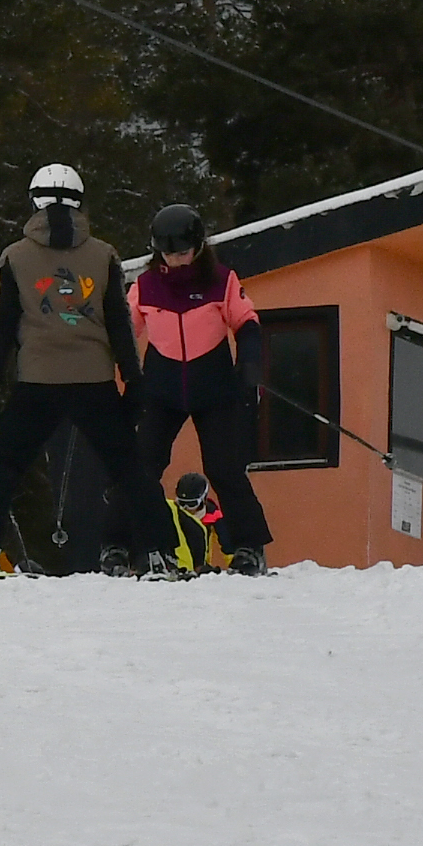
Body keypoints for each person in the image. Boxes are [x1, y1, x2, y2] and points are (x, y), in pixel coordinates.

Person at [0, 164, 173, 576]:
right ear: (79, 201)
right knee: (128, 467)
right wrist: (134, 381)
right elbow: (119, 324)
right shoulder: (103, 255)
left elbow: (1, 328)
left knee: (2, 466)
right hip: (94, 380)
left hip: (37, 381)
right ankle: (161, 551)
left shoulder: (15, 256)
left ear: (33, 200)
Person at [129, 203, 271, 576]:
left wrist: (250, 367)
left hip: (214, 387)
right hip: (162, 386)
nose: (175, 260)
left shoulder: (221, 280)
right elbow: (124, 332)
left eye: (182, 252)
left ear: (199, 247)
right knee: (142, 466)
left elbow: (247, 323)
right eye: (167, 253)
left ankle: (248, 546)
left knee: (225, 469)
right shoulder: (145, 286)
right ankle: (140, 545)